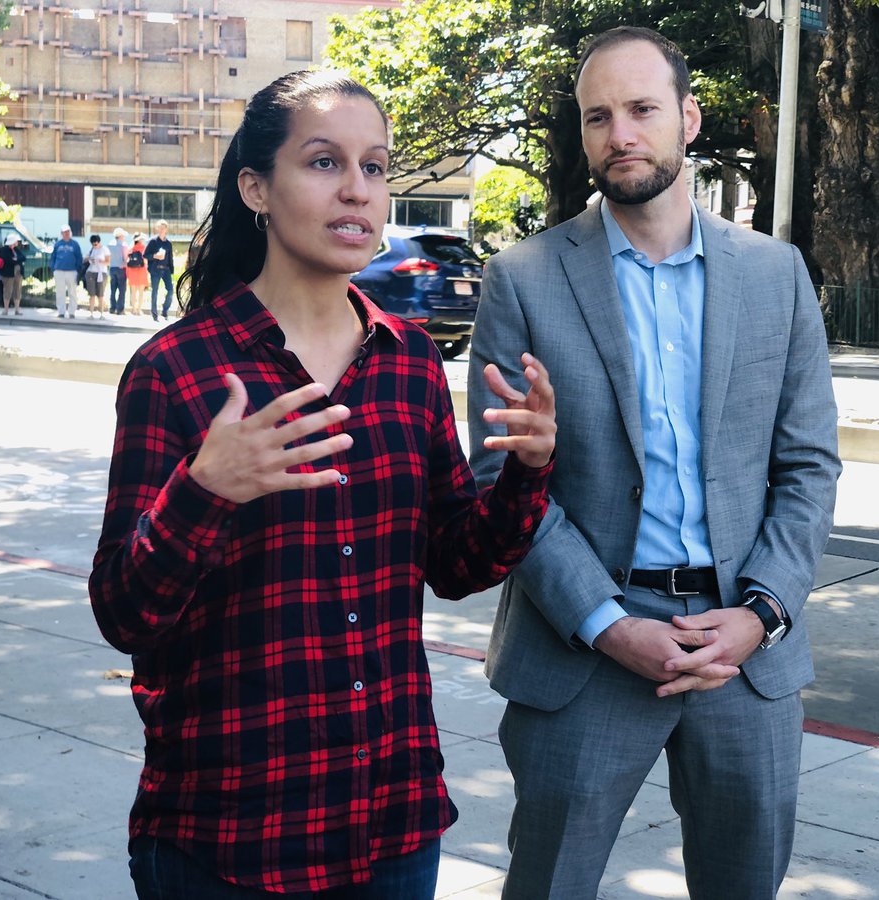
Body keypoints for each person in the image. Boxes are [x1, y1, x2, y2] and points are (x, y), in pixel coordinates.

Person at [88, 69, 557, 899]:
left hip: (390, 822)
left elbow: (455, 564)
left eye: (374, 168)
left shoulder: (408, 363)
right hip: (228, 834)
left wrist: (526, 470)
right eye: (323, 162)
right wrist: (205, 489)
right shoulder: (178, 370)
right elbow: (125, 614)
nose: (356, 190)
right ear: (255, 188)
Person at [466, 26, 841, 900]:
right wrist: (604, 622)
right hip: (585, 650)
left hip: (740, 652)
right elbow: (502, 476)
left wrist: (762, 613)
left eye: (641, 109)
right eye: (599, 117)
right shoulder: (522, 278)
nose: (621, 134)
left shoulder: (775, 274)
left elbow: (808, 466)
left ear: (690, 119)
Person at [50, 224, 84, 318]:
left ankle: (72, 312)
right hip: (59, 271)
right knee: (60, 292)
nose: (67, 234)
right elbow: (53, 257)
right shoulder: (58, 244)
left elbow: (79, 257)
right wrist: (53, 268)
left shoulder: (75, 244)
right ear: (61, 233)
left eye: (68, 231)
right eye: (65, 232)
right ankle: (61, 311)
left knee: (72, 292)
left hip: (72, 271)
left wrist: (78, 269)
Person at [145, 218, 174, 321]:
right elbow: (146, 255)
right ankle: (154, 314)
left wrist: (171, 270)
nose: (162, 230)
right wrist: (155, 256)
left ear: (166, 229)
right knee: (155, 291)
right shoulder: (153, 242)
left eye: (163, 228)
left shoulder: (168, 243)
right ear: (157, 229)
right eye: (160, 228)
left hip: (166, 269)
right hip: (155, 269)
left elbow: (170, 257)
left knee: (170, 290)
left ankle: (165, 310)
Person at [0, 235, 26, 315]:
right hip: (8, 274)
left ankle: (17, 310)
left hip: (18, 274)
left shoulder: (16, 249)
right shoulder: (3, 250)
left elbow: (23, 257)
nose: (17, 243)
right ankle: (6, 310)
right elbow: (8, 260)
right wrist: (16, 260)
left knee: (17, 291)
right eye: (16, 241)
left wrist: (16, 259)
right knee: (7, 291)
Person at [84, 234, 111, 318]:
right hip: (91, 272)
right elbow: (85, 258)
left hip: (101, 272)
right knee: (92, 294)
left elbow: (108, 262)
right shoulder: (92, 250)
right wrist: (90, 259)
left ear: (99, 242)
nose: (94, 245)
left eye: (96, 244)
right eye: (93, 244)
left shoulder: (104, 249)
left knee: (100, 295)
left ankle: (101, 313)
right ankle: (91, 313)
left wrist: (101, 261)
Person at [125, 232, 149, 315]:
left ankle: (133, 309)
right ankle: (139, 309)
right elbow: (146, 260)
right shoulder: (143, 248)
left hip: (132, 271)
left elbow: (127, 261)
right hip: (141, 271)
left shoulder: (130, 248)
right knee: (141, 292)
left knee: (133, 292)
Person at [108, 227, 129, 315]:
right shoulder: (124, 245)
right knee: (122, 289)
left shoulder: (110, 244)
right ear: (120, 236)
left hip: (112, 268)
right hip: (121, 268)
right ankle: (120, 309)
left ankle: (112, 307)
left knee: (113, 289)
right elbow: (125, 258)